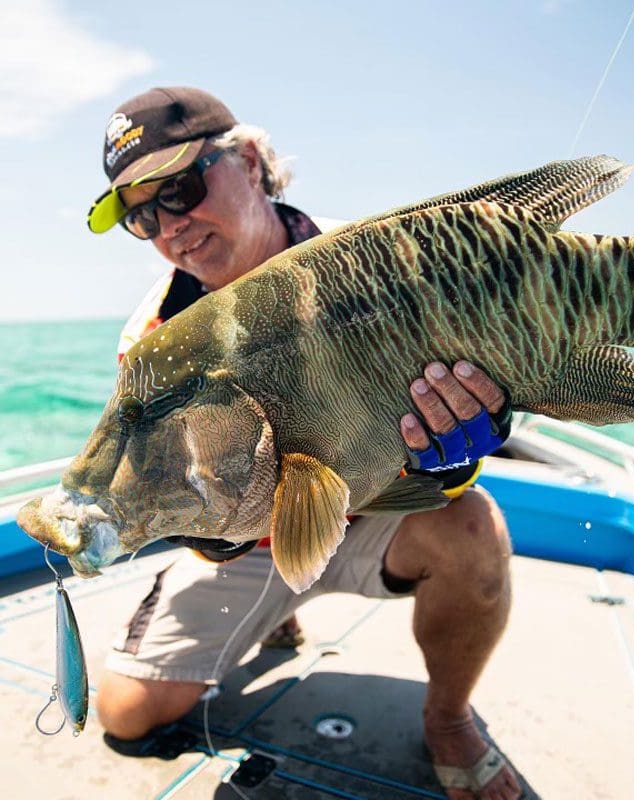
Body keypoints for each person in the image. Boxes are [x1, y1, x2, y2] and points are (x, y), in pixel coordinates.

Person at [87, 86, 522, 800]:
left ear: (251, 161)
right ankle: (278, 608)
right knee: (125, 715)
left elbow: (486, 378)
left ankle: (447, 715)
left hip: (373, 508)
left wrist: (467, 441)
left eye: (181, 188)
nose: (170, 225)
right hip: (248, 545)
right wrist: (216, 524)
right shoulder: (151, 344)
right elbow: (175, 505)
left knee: (472, 525)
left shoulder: (384, 262)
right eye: (142, 214)